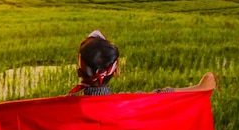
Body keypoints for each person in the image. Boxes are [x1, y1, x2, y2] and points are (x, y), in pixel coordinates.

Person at [67, 29, 216, 96]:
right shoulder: (131, 104)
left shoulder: (62, 110)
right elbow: (163, 96)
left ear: (79, 72)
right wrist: (203, 85)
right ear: (117, 70)